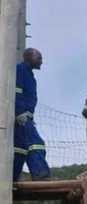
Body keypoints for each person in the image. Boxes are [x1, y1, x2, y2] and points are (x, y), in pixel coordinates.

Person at [13, 48, 51, 181]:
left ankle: (12, 176)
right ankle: (41, 174)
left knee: (20, 148)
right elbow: (16, 91)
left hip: (25, 117)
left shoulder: (28, 74)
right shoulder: (20, 70)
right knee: (36, 144)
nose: (41, 61)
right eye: (39, 58)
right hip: (21, 116)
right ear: (30, 57)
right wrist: (19, 113)